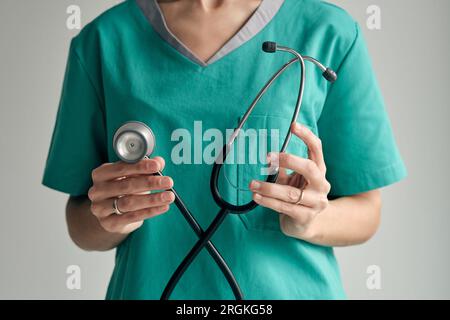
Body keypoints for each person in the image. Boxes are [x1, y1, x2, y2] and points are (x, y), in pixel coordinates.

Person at [42, 0, 407, 299]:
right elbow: (80, 222)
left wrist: (313, 219)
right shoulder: (103, 42)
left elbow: (367, 211)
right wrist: (112, 215)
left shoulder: (329, 33)